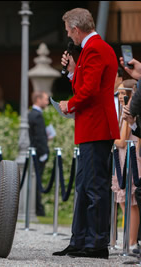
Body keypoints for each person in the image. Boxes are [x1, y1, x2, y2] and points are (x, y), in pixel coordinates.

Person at [53, 8, 120, 259]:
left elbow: (89, 91)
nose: (69, 36)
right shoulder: (92, 50)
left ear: (77, 29)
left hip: (96, 126)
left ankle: (96, 243)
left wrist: (67, 104)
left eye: (69, 31)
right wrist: (71, 71)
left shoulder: (95, 49)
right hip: (92, 126)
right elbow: (86, 85)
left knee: (94, 188)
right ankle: (81, 240)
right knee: (85, 186)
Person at [111, 80, 139, 250]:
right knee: (123, 202)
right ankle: (127, 239)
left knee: (131, 202)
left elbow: (122, 141)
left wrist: (107, 135)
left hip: (129, 157)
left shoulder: (130, 111)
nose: (121, 97)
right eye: (119, 93)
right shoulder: (124, 110)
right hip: (122, 158)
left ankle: (132, 241)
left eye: (123, 93)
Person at [28, 91, 51, 217]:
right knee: (37, 180)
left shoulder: (33, 114)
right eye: (45, 99)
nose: (47, 102)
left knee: (36, 180)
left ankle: (37, 208)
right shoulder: (36, 115)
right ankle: (38, 208)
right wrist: (44, 153)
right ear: (38, 99)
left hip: (36, 152)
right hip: (38, 153)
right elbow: (39, 137)